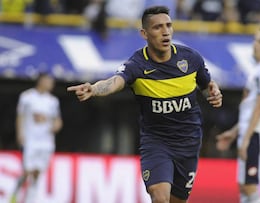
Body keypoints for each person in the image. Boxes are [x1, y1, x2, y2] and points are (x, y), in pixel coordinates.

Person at [67, 6, 222, 203]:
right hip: (157, 143)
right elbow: (115, 81)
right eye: (157, 27)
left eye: (168, 26)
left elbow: (206, 86)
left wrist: (213, 93)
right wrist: (95, 89)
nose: (165, 32)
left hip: (189, 143)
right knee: (159, 196)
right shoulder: (138, 65)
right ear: (144, 33)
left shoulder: (190, 59)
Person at [216, 27, 260, 203]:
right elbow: (251, 108)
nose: (255, 45)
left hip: (256, 134)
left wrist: (246, 138)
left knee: (250, 186)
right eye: (255, 40)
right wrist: (234, 132)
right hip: (250, 133)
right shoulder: (257, 70)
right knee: (244, 187)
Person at [11, 73, 63, 203]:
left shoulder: (53, 101)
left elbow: (58, 120)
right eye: (49, 81)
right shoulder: (27, 97)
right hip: (30, 140)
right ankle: (14, 195)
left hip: (46, 142)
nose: (51, 84)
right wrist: (20, 134)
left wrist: (56, 126)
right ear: (41, 81)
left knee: (37, 172)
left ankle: (30, 199)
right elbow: (20, 116)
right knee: (27, 171)